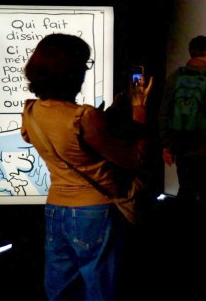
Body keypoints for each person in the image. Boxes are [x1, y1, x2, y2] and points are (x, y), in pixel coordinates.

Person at [20, 33, 152, 300]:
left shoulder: (31, 111)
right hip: (94, 210)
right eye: (83, 65)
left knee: (61, 288)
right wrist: (139, 110)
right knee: (101, 287)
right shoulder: (83, 116)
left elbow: (37, 138)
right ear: (71, 71)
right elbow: (133, 159)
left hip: (56, 207)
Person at [158, 36, 206, 226]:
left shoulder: (175, 77)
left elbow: (163, 114)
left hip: (182, 147)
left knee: (185, 189)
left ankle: (184, 234)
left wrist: (167, 146)